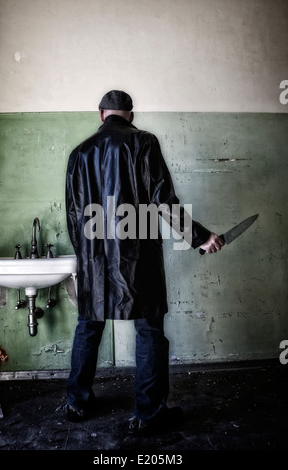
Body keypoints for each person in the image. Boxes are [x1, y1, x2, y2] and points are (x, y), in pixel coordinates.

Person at [65, 90, 224, 434]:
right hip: (137, 259)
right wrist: (200, 237)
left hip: (94, 258)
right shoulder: (143, 142)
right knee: (149, 331)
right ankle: (149, 414)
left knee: (88, 327)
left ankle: (76, 402)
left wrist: (85, 259)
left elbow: (74, 214)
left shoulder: (80, 153)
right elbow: (162, 202)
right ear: (130, 115)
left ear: (101, 114)